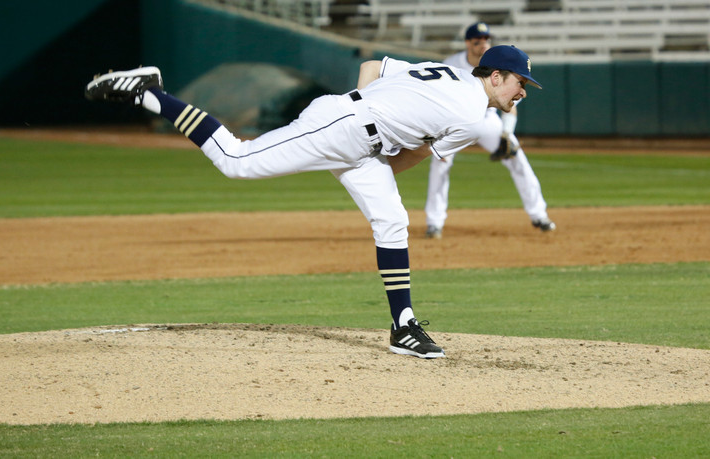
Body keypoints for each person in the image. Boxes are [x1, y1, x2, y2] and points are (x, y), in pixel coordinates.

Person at [84, 45, 543, 359]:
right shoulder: (472, 114)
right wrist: (345, 137)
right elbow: (416, 155)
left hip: (354, 134)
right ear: (496, 75)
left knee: (391, 219)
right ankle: (150, 94)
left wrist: (359, 146)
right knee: (236, 160)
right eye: (519, 82)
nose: (522, 91)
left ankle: (403, 326)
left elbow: (374, 67)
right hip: (343, 129)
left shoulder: (446, 72)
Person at [424, 22, 555, 239]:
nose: (483, 44)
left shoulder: (499, 65)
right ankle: (434, 222)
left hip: (487, 119)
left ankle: (539, 215)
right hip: (454, 121)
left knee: (517, 157)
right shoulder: (452, 64)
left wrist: (506, 134)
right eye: (477, 41)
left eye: (486, 40)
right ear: (468, 43)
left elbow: (509, 107)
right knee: (440, 163)